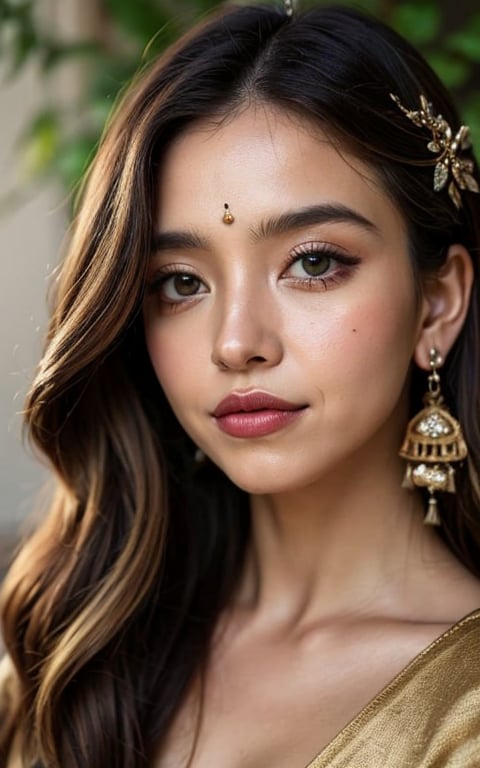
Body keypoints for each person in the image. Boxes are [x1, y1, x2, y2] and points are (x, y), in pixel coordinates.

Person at [1, 1, 480, 766]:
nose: (235, 343)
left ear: (438, 302)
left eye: (314, 263)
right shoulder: (78, 653)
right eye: (181, 282)